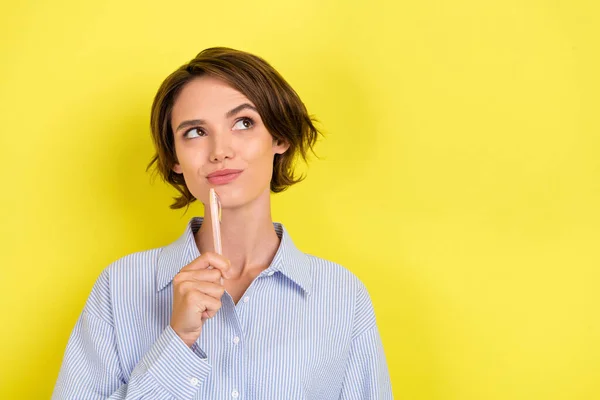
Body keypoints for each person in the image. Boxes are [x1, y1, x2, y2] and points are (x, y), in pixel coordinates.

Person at [52, 47, 392, 399]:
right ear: (175, 160)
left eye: (244, 123)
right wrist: (177, 343)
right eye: (195, 132)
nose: (220, 151)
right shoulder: (119, 287)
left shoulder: (342, 296)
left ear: (279, 137)